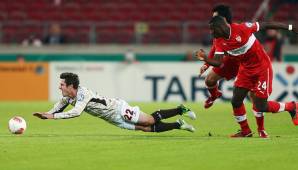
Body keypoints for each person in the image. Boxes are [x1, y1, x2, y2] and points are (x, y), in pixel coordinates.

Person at [196, 16, 298, 137]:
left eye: (212, 30)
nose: (211, 33)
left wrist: (290, 27)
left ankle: (292, 106)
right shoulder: (220, 41)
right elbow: (218, 62)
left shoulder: (242, 28)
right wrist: (206, 59)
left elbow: (266, 25)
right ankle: (246, 131)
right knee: (236, 100)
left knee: (260, 106)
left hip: (262, 68)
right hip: (245, 69)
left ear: (220, 27)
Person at [33, 72, 196, 133]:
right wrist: (48, 114)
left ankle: (180, 109)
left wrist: (53, 117)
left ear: (70, 86)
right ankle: (178, 125)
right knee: (145, 129)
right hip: (112, 118)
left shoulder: (83, 94)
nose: (59, 86)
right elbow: (58, 107)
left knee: (150, 120)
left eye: (62, 84)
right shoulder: (68, 97)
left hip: (118, 109)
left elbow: (76, 112)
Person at [199, 4, 268, 138]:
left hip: (248, 63)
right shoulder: (218, 32)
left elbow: (262, 26)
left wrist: (288, 27)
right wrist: (207, 64)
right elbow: (216, 47)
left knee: (255, 98)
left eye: (216, 17)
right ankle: (215, 96)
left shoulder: (239, 28)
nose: (213, 20)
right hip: (231, 60)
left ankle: (261, 129)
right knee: (209, 79)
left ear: (224, 19)